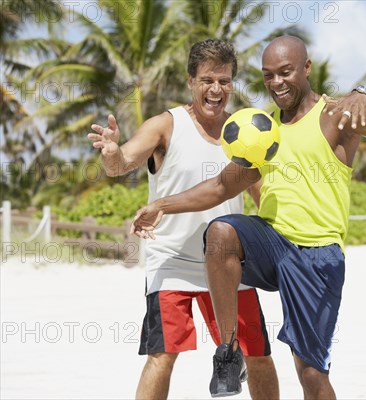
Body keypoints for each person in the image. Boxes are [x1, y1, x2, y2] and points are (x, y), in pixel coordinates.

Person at [131, 35, 366, 398]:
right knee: (222, 231)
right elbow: (219, 188)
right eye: (268, 75)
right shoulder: (262, 128)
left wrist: (364, 94)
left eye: (285, 72)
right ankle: (227, 352)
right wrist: (161, 205)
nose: (276, 83)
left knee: (310, 373)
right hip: (271, 245)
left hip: (316, 254)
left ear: (306, 69)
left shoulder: (335, 114)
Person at [87, 39, 279, 400]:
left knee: (258, 356)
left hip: (227, 265)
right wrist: (112, 153)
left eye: (224, 81)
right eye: (207, 80)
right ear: (191, 81)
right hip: (171, 261)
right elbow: (122, 162)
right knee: (162, 354)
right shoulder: (166, 124)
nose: (216, 89)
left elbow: (263, 198)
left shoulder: (246, 132)